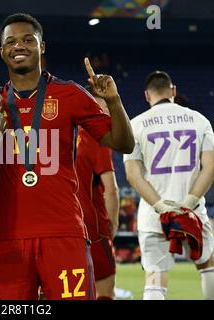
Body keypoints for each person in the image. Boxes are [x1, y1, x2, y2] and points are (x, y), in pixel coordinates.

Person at [0, 13, 134, 300]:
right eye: (11, 41)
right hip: (9, 237)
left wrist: (114, 102)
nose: (19, 46)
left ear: (42, 46)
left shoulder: (69, 94)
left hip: (63, 233)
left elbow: (123, 143)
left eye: (28, 40)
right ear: (2, 51)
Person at [123, 71, 214, 300]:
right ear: (173, 91)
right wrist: (188, 204)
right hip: (193, 212)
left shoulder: (136, 124)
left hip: (153, 216)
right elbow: (211, 166)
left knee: (154, 278)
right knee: (208, 267)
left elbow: (133, 175)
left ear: (146, 96)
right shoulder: (199, 120)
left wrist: (162, 208)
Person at [75, 88, 119, 300]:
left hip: (63, 227)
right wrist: (113, 224)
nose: (108, 115)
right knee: (104, 293)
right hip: (93, 228)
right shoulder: (97, 140)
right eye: (105, 109)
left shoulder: (64, 136)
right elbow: (111, 190)